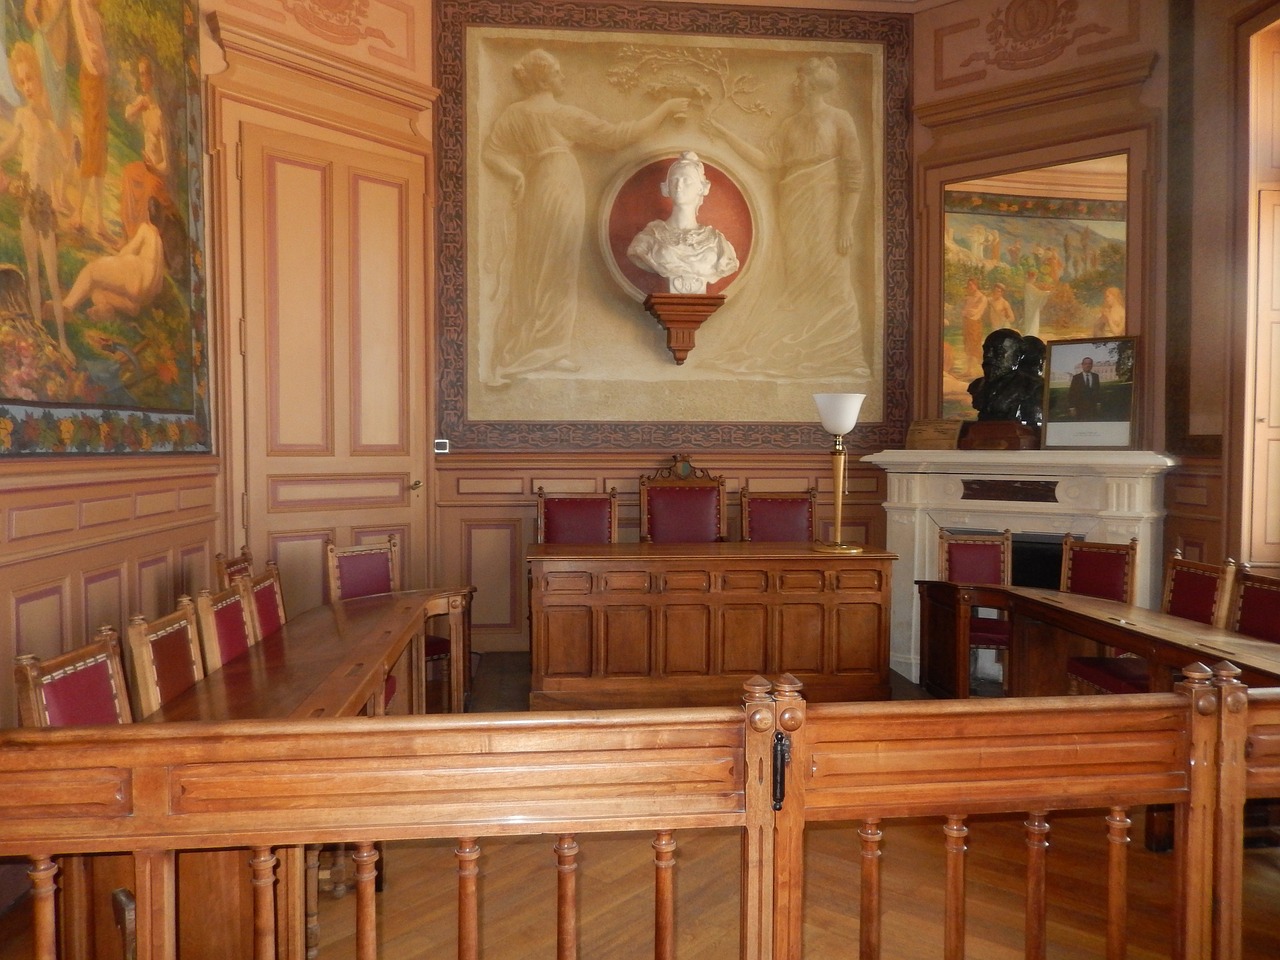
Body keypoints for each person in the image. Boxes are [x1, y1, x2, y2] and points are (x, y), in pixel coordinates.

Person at [482, 48, 689, 386]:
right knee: (558, 265)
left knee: (532, 264)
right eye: (557, 72)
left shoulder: (515, 113)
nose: (563, 76)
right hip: (560, 185)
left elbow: (492, 152)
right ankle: (546, 349)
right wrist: (664, 110)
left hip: (536, 186)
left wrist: (515, 174)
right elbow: (618, 136)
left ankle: (529, 346)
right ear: (545, 79)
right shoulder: (561, 115)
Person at [701, 56, 870, 379]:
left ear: (814, 83)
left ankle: (838, 352)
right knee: (797, 275)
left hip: (826, 205)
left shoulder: (840, 119)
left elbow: (854, 174)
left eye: (801, 78)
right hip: (794, 204)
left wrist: (845, 222)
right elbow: (767, 161)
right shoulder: (790, 124)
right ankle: (799, 349)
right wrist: (723, 133)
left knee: (832, 277)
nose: (796, 83)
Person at [0, 40, 71, 359]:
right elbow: (10, 147)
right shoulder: (23, 117)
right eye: (22, 81)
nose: (27, 86)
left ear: (40, 78)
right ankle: (41, 338)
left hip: (44, 206)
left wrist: (69, 155)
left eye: (30, 79)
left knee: (53, 277)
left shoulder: (51, 126)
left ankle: (62, 341)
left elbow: (62, 170)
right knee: (31, 272)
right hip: (26, 202)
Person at [626, 151, 738, 294]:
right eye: (674, 180)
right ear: (666, 188)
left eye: (687, 180)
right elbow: (637, 253)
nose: (679, 186)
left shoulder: (716, 241)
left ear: (702, 188)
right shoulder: (649, 237)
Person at [62, 195, 166, 323]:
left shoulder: (145, 229)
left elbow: (128, 250)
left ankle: (67, 307)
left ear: (148, 213)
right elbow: (159, 286)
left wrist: (115, 261)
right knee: (96, 290)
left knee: (91, 271)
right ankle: (107, 308)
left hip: (135, 277)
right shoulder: (159, 242)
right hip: (145, 295)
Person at [959, 277, 988, 377]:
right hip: (967, 323)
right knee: (968, 347)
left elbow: (973, 312)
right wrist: (966, 311)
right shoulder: (969, 298)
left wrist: (966, 311)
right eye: (968, 285)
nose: (970, 287)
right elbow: (963, 311)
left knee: (975, 347)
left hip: (975, 324)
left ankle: (984, 370)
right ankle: (969, 370)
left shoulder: (982, 298)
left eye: (971, 285)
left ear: (976, 285)